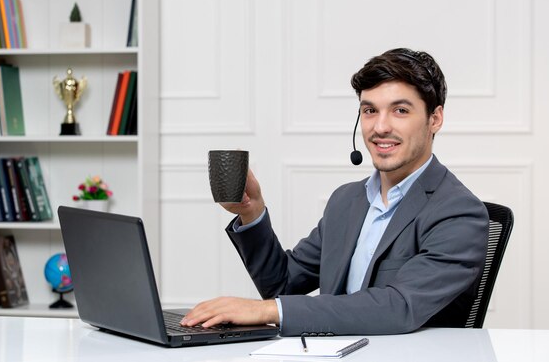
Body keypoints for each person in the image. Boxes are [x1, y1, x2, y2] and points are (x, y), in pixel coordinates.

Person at [181, 48, 489, 336]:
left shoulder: (459, 212)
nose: (380, 127)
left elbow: (399, 306)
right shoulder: (347, 200)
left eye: (400, 110)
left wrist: (266, 311)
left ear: (435, 119)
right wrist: (252, 211)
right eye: (370, 110)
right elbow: (283, 284)